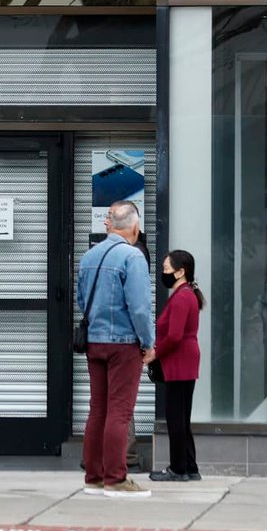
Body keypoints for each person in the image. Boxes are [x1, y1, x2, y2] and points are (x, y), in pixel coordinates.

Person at [77, 200, 154, 498]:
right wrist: (148, 343)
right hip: (123, 343)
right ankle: (116, 478)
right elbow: (139, 308)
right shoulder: (133, 257)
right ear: (135, 227)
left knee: (98, 409)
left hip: (94, 341)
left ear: (111, 224)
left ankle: (94, 477)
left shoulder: (89, 256)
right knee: (120, 412)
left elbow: (81, 300)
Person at [149, 249, 204, 483]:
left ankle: (178, 468)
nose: (163, 273)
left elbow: (174, 336)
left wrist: (154, 353)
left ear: (181, 272)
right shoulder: (186, 294)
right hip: (184, 361)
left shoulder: (182, 297)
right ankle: (190, 466)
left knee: (175, 417)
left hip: (179, 362)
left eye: (166, 269)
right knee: (181, 416)